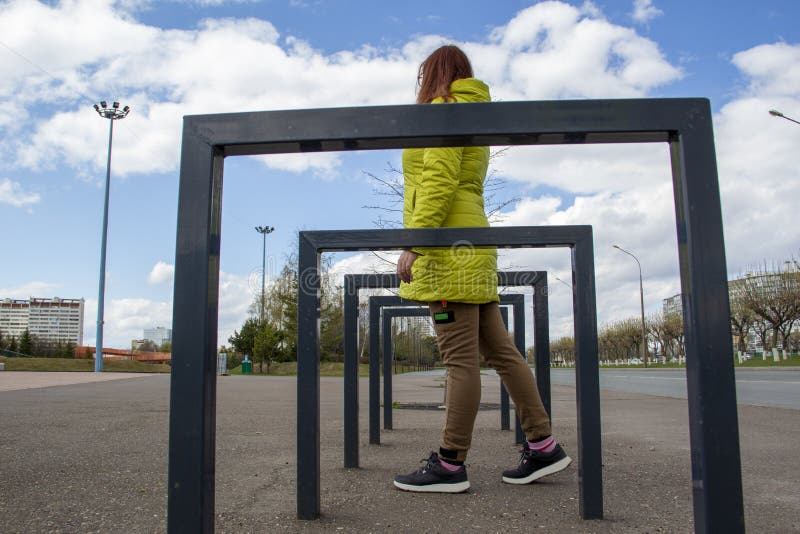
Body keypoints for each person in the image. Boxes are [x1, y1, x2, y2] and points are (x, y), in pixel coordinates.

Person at [392, 45, 572, 493]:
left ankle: (450, 464)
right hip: (473, 242)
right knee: (502, 354)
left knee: (459, 361)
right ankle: (544, 445)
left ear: (432, 75)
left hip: (448, 246)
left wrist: (417, 242)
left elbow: (439, 178)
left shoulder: (444, 109)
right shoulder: (473, 112)